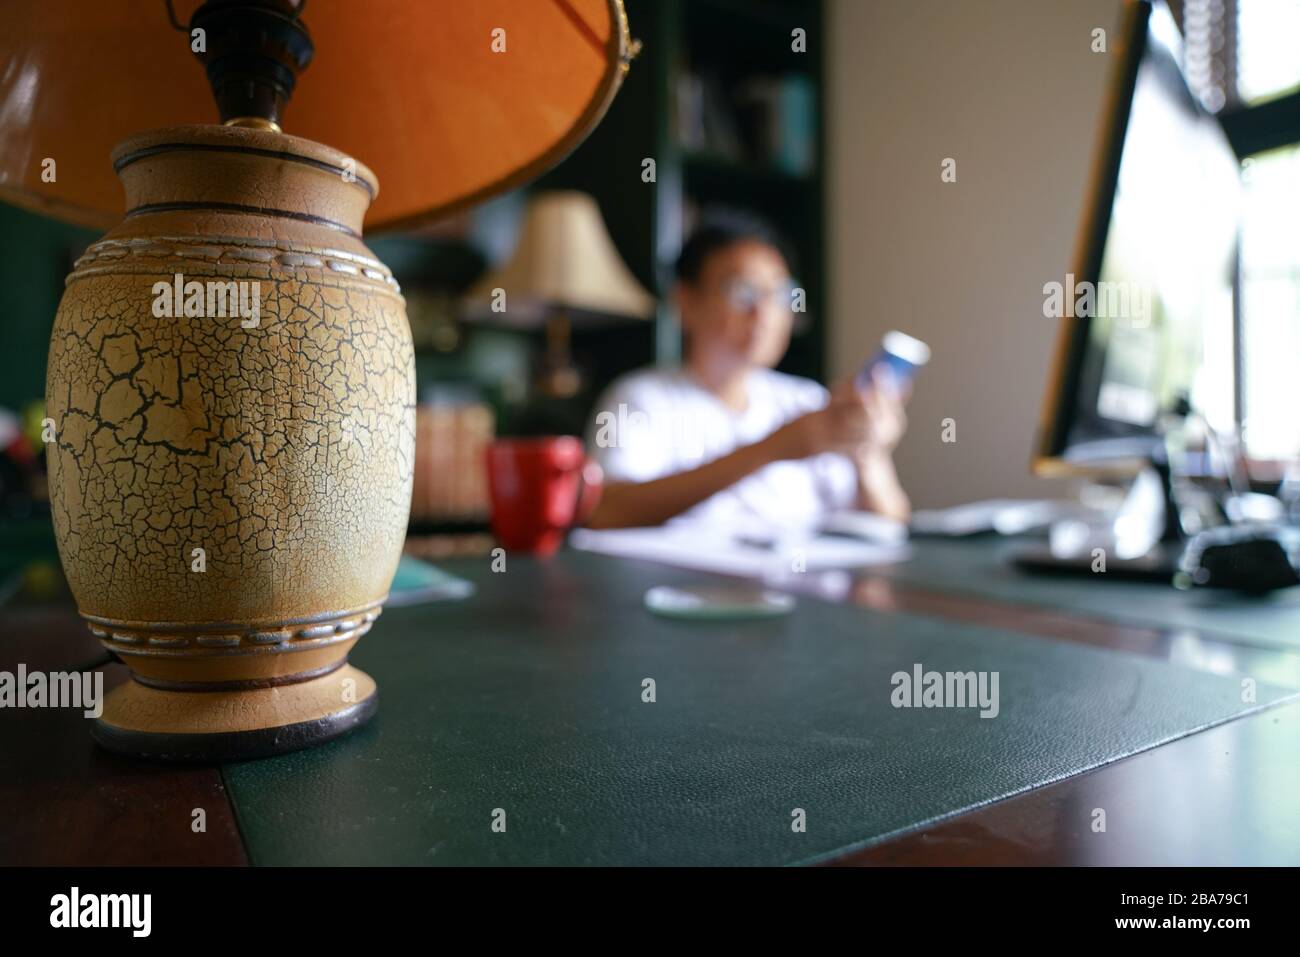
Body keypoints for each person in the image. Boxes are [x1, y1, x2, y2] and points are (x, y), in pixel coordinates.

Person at [584, 210, 911, 532]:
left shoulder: (806, 401)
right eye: (742, 291)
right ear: (685, 302)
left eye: (779, 294)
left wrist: (869, 451)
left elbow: (891, 522)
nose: (763, 311)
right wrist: (775, 448)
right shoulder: (639, 400)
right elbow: (604, 511)